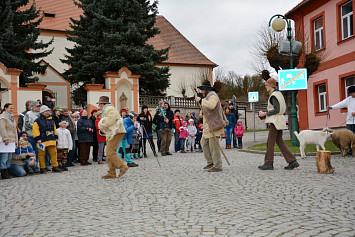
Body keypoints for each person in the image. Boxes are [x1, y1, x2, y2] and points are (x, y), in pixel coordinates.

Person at [257, 78, 300, 170]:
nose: (266, 87)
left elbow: (276, 109)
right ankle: (292, 161)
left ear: (270, 85)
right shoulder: (279, 94)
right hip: (279, 120)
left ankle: (269, 163)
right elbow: (279, 109)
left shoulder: (273, 95)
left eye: (266, 86)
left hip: (275, 121)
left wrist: (265, 113)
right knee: (279, 141)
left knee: (270, 142)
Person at [195, 81, 227, 172]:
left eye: (202, 90)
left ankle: (217, 165)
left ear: (206, 89)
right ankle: (210, 162)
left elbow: (212, 106)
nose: (201, 91)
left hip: (214, 124)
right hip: (208, 125)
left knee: (214, 146)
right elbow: (206, 109)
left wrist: (201, 101)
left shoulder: (213, 96)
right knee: (204, 143)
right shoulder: (207, 97)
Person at [97, 96, 129, 179]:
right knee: (109, 153)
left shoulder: (109, 109)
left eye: (99, 104)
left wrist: (104, 125)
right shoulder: (107, 110)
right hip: (113, 133)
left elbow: (112, 119)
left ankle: (122, 167)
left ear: (103, 104)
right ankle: (111, 172)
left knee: (110, 151)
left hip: (117, 132)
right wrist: (104, 128)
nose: (99, 106)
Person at [32, 105, 61, 173]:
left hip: (51, 139)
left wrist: (56, 137)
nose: (48, 112)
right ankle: (43, 168)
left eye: (48, 111)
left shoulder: (51, 120)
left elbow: (54, 129)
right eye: (46, 111)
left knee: (53, 154)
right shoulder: (37, 121)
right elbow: (35, 130)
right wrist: (38, 139)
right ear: (42, 112)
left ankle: (55, 166)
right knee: (41, 155)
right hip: (42, 140)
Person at [328, 85, 355, 154]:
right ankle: (349, 150)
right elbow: (340, 104)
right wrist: (331, 107)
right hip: (349, 121)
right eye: (350, 93)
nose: (351, 94)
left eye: (352, 93)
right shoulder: (348, 99)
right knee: (347, 137)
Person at [0, 103, 18, 179]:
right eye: (10, 108)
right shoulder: (3, 117)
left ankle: (7, 170)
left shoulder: (12, 117)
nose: (12, 110)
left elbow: (15, 129)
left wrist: (16, 141)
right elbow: (2, 128)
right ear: (6, 108)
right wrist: (5, 138)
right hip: (6, 140)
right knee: (4, 157)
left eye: (13, 108)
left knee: (9, 157)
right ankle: (3, 171)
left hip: (12, 139)